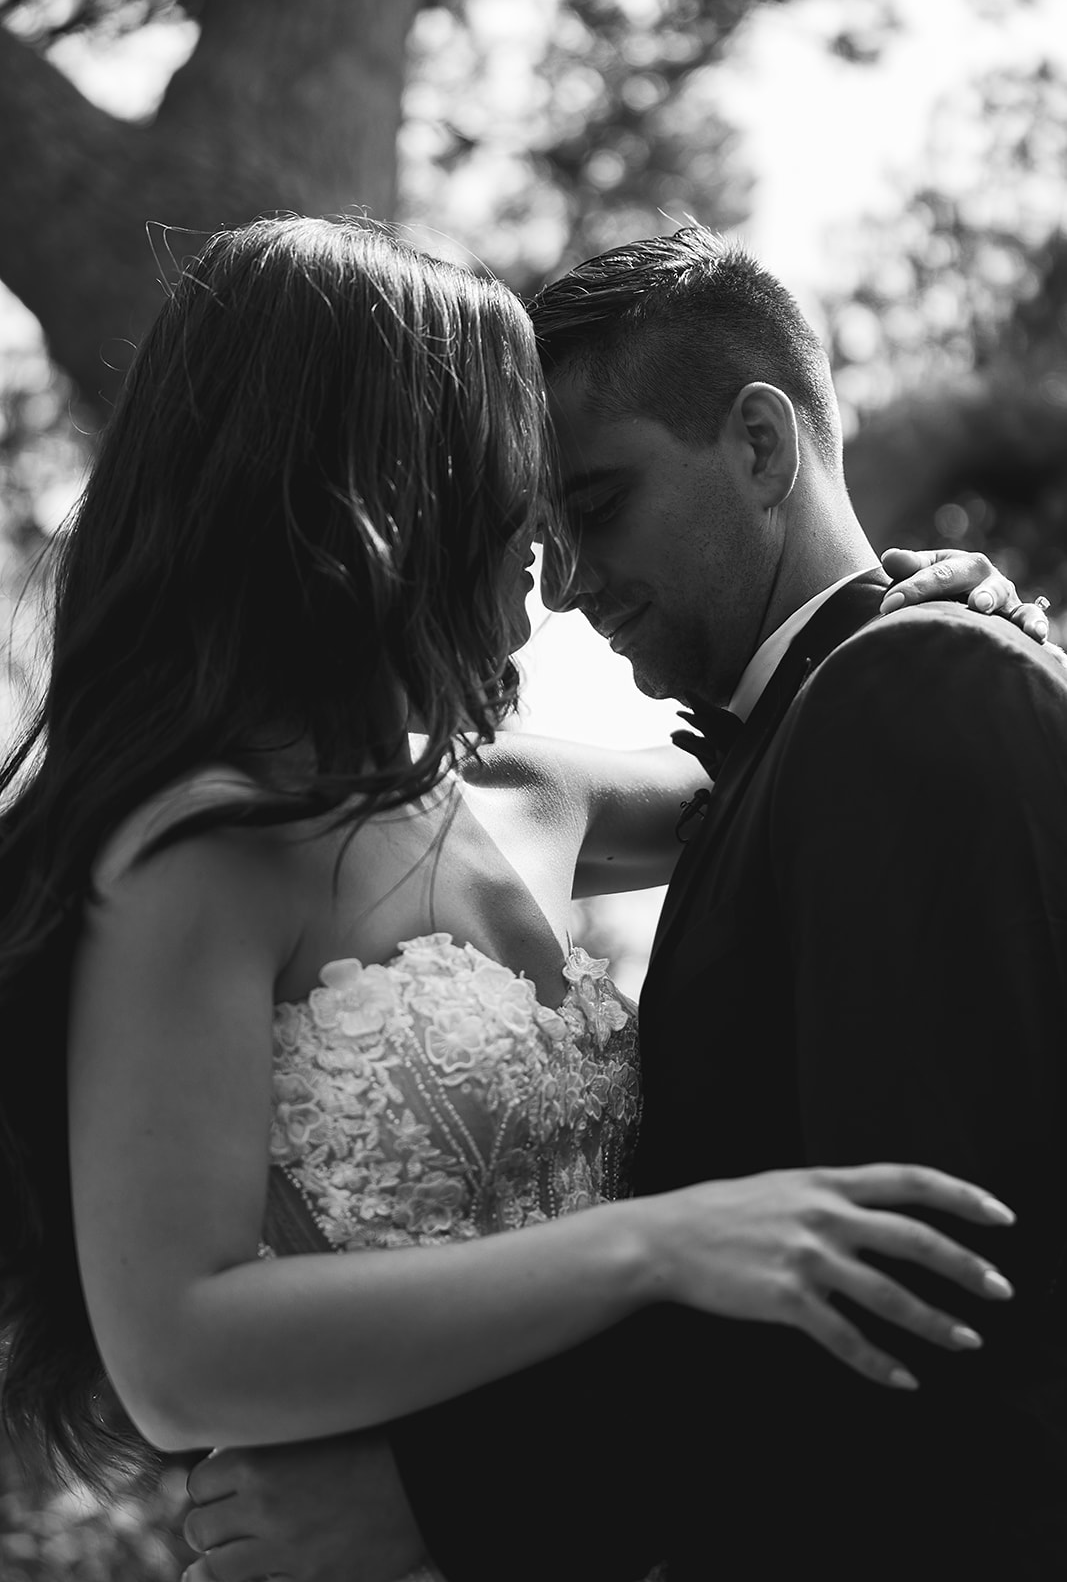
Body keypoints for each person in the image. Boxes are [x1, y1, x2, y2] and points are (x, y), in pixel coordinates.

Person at [0, 216, 1037, 1573]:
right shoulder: (200, 849)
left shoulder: (525, 787)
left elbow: (816, 771)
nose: (550, 574)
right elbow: (178, 1360)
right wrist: (653, 1245)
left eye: (575, 507)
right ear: (385, 485)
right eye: (523, 496)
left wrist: (918, 612)